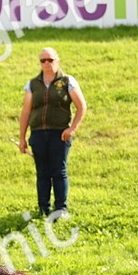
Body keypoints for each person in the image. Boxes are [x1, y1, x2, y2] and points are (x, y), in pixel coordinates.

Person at [18, 47, 86, 218]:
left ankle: (60, 209)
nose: (47, 64)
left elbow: (81, 107)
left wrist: (72, 129)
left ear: (57, 60)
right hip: (38, 134)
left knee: (58, 171)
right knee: (42, 172)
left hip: (59, 134)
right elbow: (26, 112)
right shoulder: (32, 84)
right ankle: (43, 209)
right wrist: (22, 138)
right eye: (43, 60)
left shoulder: (67, 81)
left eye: (50, 60)